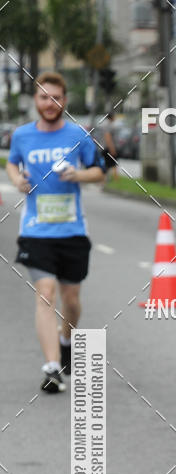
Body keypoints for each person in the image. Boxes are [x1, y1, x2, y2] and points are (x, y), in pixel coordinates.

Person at [6, 71, 105, 394]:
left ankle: (66, 340)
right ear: (35, 100)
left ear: (65, 100)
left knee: (71, 301)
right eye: (44, 97)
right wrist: (17, 180)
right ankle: (51, 368)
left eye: (56, 98)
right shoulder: (22, 135)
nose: (50, 104)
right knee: (45, 293)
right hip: (36, 230)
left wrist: (78, 175)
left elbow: (100, 173)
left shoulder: (78, 135)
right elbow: (12, 162)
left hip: (72, 231)